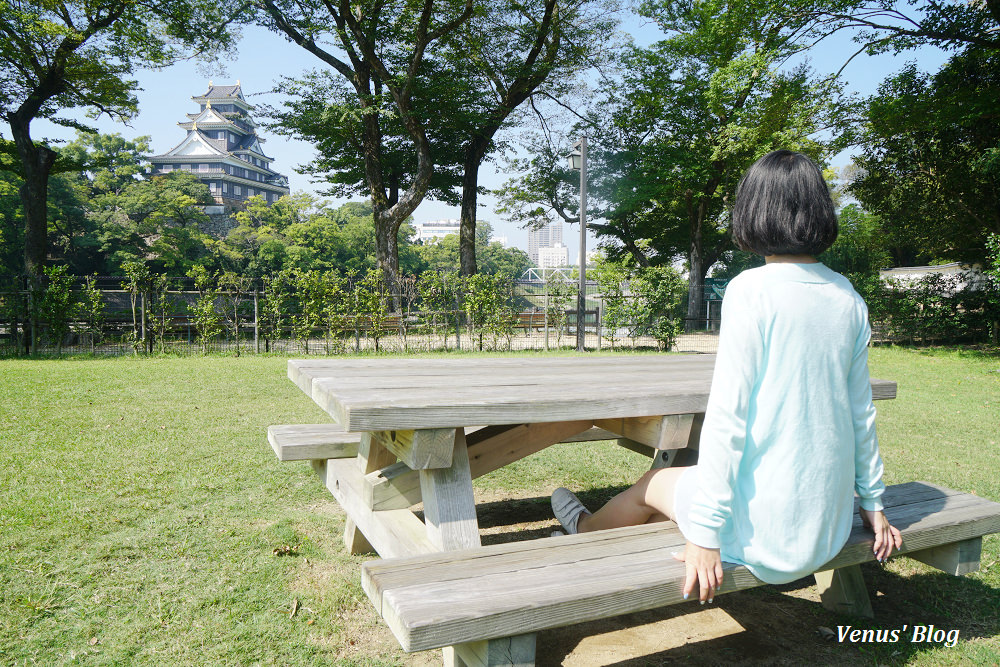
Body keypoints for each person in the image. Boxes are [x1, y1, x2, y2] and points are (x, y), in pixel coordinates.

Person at [551, 149, 902, 605]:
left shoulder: (751, 291)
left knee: (652, 484)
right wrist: (873, 503)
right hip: (826, 531)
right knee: (679, 486)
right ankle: (627, 522)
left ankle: (580, 530)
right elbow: (861, 412)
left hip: (755, 538)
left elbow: (728, 417)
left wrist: (705, 533)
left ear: (754, 211)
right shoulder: (847, 297)